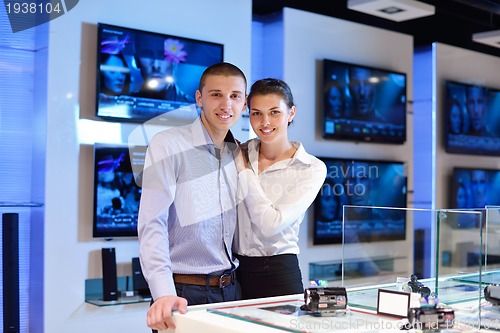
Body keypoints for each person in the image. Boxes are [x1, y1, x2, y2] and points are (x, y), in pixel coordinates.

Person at [137, 62, 247, 331]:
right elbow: (152, 223)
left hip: (233, 291)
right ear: (199, 98)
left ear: (244, 103)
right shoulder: (169, 144)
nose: (226, 105)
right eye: (216, 95)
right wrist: (163, 293)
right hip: (184, 292)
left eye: (235, 96)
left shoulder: (241, 154)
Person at [233, 78, 327, 300]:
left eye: (275, 112)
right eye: (257, 113)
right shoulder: (238, 152)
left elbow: (270, 224)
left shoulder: (311, 167)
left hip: (276, 273)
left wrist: (243, 169)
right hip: (232, 273)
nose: (265, 122)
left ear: (291, 113)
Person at [134, 34, 194, 102]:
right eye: (147, 55)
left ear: (175, 60)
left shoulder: (195, 110)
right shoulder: (124, 105)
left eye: (163, 55)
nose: (156, 66)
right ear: (136, 61)